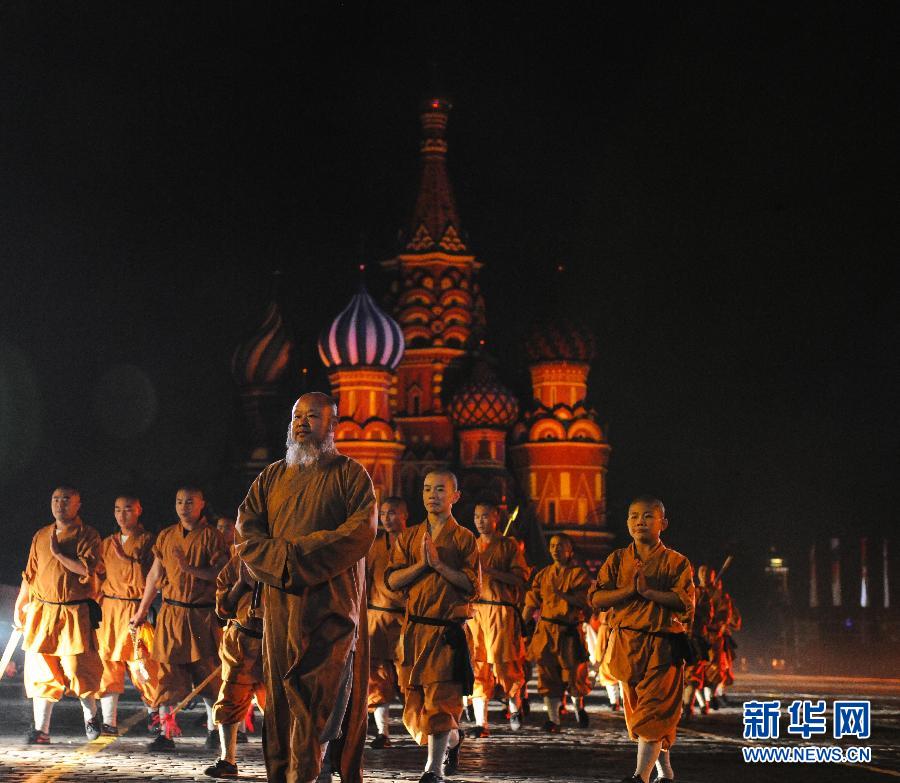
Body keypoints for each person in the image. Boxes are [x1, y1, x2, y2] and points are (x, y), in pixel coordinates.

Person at [235, 392, 377, 783]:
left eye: (313, 416)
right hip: (281, 608)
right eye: (296, 415)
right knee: (282, 699)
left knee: (323, 695)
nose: (301, 422)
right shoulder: (271, 477)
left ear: (332, 427)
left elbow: (360, 531)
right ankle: (290, 774)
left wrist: (292, 557)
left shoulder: (351, 475)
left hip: (331, 607)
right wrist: (283, 561)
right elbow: (246, 534)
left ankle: (311, 772)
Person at [589, 496, 694, 783]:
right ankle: (665, 771)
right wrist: (627, 591)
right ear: (626, 522)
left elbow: (685, 602)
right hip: (627, 645)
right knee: (639, 712)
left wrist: (649, 593)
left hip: (662, 644)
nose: (640, 521)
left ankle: (640, 776)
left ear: (663, 523)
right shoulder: (617, 560)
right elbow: (596, 598)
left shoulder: (676, 562)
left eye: (648, 516)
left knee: (653, 711)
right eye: (634, 516)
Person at [385, 470, 480, 783]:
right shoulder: (409, 537)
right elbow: (392, 580)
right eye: (427, 489)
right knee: (415, 706)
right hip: (413, 632)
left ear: (455, 496)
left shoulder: (464, 538)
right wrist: (422, 565)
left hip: (445, 632)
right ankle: (452, 740)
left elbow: (470, 585)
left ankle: (433, 769)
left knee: (440, 702)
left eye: (440, 489)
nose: (432, 495)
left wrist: (439, 565)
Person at [130, 487, 228, 751]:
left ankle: (213, 730)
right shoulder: (167, 536)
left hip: (201, 614)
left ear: (201, 505)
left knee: (207, 673)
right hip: (171, 613)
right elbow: (154, 576)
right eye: (179, 502)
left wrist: (189, 569)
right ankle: (166, 732)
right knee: (167, 674)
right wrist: (141, 611)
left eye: (190, 502)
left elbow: (220, 574)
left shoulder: (212, 537)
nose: (184, 507)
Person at [14, 486, 104, 743]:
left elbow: (86, 570)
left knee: (78, 668)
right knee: (41, 668)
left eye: (66, 500)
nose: (60, 505)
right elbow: (29, 574)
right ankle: (41, 730)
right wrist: (21, 604)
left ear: (78, 504)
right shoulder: (41, 535)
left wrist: (59, 554)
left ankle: (91, 715)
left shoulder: (88, 535)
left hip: (74, 611)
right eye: (55, 499)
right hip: (43, 610)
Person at [96, 495, 159, 734]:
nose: (122, 515)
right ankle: (109, 721)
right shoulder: (106, 543)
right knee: (108, 661)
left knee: (142, 663)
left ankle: (155, 715)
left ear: (139, 510)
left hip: (136, 607)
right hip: (110, 609)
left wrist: (128, 561)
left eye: (128, 509)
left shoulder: (149, 541)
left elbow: (154, 577)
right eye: (118, 510)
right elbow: (98, 575)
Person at [469, 501, 529, 736]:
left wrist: (490, 571)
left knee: (505, 664)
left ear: (495, 518)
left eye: (485, 516)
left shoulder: (508, 546)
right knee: (477, 665)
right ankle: (480, 722)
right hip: (476, 613)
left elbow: (520, 579)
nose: (480, 521)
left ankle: (514, 707)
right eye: (476, 516)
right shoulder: (470, 546)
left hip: (501, 612)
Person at [204, 554, 265, 779]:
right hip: (240, 641)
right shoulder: (238, 562)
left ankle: (284, 759)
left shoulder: (284, 556)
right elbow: (223, 609)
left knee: (278, 704)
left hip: (275, 643)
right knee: (230, 698)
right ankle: (228, 760)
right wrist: (242, 584)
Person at [522, 533, 591, 732]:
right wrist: (521, 624)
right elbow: (531, 602)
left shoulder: (579, 574)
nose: (555, 549)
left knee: (574, 674)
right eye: (552, 545)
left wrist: (563, 595)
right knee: (547, 674)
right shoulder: (543, 574)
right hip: (546, 630)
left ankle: (579, 707)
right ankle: (553, 719)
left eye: (560, 546)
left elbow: (585, 602)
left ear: (570, 550)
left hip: (568, 632)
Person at [366, 496, 409, 749]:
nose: (386, 518)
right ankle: (383, 732)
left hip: (405, 619)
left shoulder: (415, 542)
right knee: (376, 678)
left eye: (392, 513)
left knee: (408, 676)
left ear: (405, 515)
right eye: (383, 514)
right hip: (377, 617)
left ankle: (422, 727)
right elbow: (365, 581)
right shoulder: (373, 546)